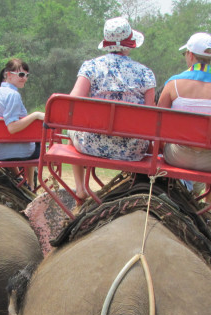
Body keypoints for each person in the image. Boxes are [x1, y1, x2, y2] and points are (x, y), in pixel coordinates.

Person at [68, 17, 156, 199]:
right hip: (133, 150)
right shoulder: (145, 73)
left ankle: (80, 188)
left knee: (71, 130)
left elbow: (72, 103)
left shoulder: (91, 66)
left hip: (91, 145)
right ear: (130, 44)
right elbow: (151, 116)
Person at [157, 32, 211, 180]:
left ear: (190, 55)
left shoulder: (173, 84)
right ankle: (202, 194)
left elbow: (158, 123)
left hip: (177, 157)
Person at [0, 59, 45, 190]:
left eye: (27, 75)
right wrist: (35, 115)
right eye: (21, 75)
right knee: (36, 141)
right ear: (9, 75)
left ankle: (20, 179)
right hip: (17, 153)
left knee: (31, 140)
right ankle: (30, 184)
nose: (24, 78)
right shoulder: (13, 95)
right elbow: (12, 127)